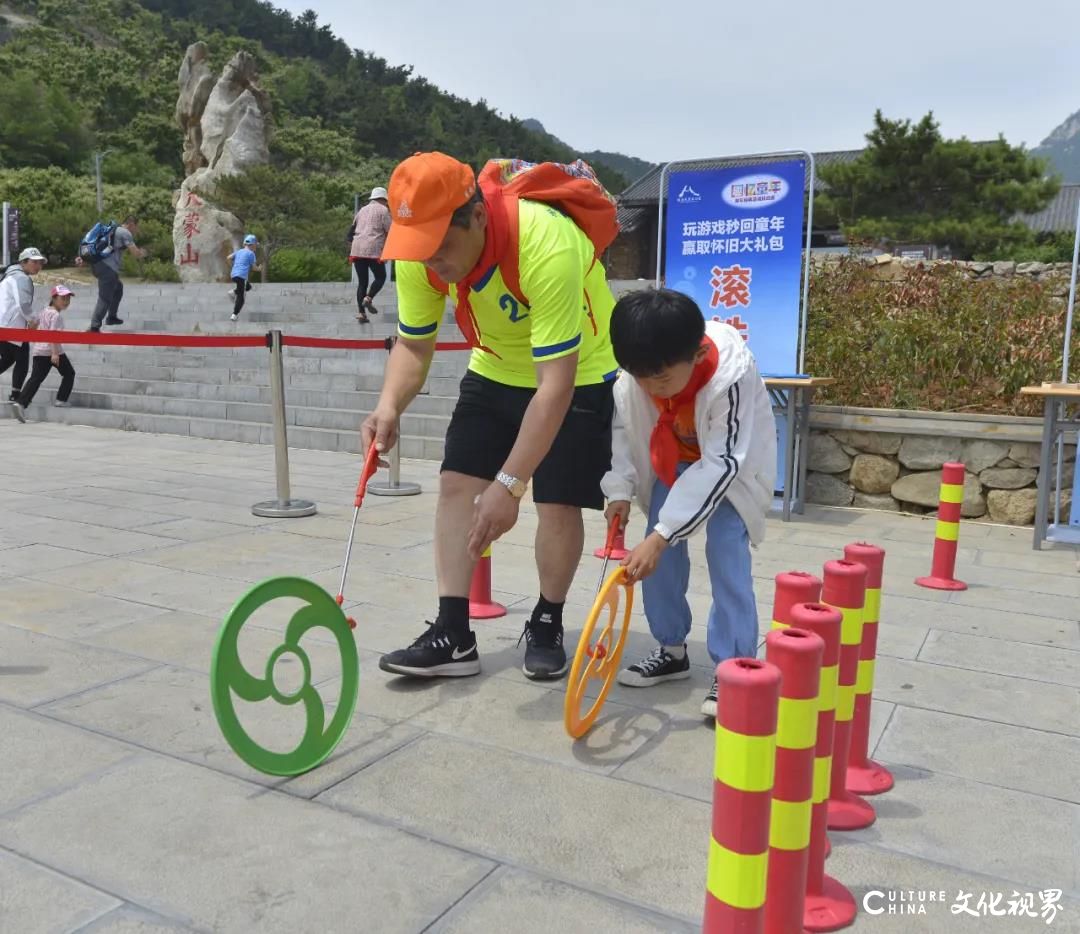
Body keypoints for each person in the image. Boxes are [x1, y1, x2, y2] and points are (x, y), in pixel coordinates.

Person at [364, 152, 618, 681]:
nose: (433, 263)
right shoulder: (418, 252)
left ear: (477, 216)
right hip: (496, 366)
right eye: (421, 250)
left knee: (556, 502)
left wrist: (510, 482)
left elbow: (555, 385)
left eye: (442, 248)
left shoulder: (545, 240)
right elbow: (414, 346)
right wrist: (388, 406)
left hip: (579, 370)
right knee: (456, 484)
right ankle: (453, 632)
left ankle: (547, 620)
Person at [600, 288, 776, 717]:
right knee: (654, 553)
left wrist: (663, 534)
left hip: (727, 470)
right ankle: (672, 649)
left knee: (726, 550)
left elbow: (723, 463)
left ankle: (734, 666)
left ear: (697, 355)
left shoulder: (729, 374)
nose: (649, 387)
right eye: (640, 376)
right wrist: (619, 489)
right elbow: (626, 431)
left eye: (660, 379)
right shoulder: (636, 376)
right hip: (672, 459)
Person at [11, 285, 77, 422]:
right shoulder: (56, 315)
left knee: (36, 378)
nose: (66, 302)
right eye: (63, 298)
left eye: (68, 299)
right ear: (53, 298)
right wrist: (54, 354)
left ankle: (21, 403)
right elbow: (53, 335)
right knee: (69, 373)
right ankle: (61, 399)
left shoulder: (44, 311)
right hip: (52, 350)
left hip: (39, 351)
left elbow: (34, 326)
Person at [0, 246, 45, 406]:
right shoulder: (21, 278)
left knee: (8, 358)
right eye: (34, 262)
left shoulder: (8, 275)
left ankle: (15, 394)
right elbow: (23, 304)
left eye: (40, 263)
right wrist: (34, 321)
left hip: (5, 325)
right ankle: (15, 395)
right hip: (13, 327)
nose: (38, 266)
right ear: (23, 262)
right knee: (22, 360)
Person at [87, 215, 146, 332]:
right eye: (136, 227)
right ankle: (94, 326)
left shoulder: (113, 230)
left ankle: (111, 317)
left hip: (97, 265)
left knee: (118, 287)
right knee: (105, 298)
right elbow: (136, 253)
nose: (136, 231)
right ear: (131, 224)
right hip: (108, 269)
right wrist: (144, 253)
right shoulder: (125, 232)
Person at [347, 186, 391, 323]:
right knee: (380, 277)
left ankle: (361, 313)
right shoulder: (384, 211)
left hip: (357, 248)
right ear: (383, 199)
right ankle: (369, 298)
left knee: (362, 283)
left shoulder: (362, 210)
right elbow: (390, 231)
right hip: (373, 248)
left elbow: (350, 233)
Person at [227, 234, 261, 321]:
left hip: (234, 274)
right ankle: (234, 314)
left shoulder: (239, 251)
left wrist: (234, 264)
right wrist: (259, 269)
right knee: (241, 297)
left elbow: (229, 257)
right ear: (252, 245)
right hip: (241, 276)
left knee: (248, 287)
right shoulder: (251, 253)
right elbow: (254, 268)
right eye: (255, 246)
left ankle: (233, 292)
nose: (256, 248)